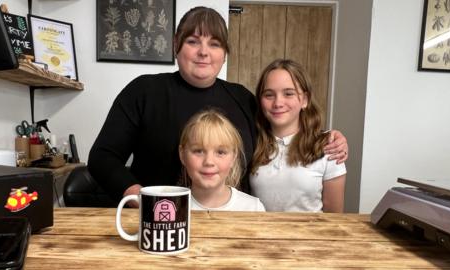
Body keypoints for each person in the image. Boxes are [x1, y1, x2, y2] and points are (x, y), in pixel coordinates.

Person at [88, 6, 348, 205]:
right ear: (175, 45)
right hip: (159, 224)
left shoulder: (243, 98)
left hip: (230, 227)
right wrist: (143, 201)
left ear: (224, 53)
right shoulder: (143, 91)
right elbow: (102, 158)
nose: (204, 52)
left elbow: (281, 131)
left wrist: (328, 138)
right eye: (193, 41)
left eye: (214, 44)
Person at [250, 59, 347, 213]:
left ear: (305, 100)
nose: (278, 103)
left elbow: (334, 218)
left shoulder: (328, 146)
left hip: (311, 236)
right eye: (269, 95)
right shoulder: (251, 143)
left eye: (288, 93)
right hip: (260, 235)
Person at [178, 109, 265, 211]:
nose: (209, 162)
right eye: (198, 151)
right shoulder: (171, 207)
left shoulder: (252, 208)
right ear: (182, 155)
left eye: (220, 152)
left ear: (234, 157)